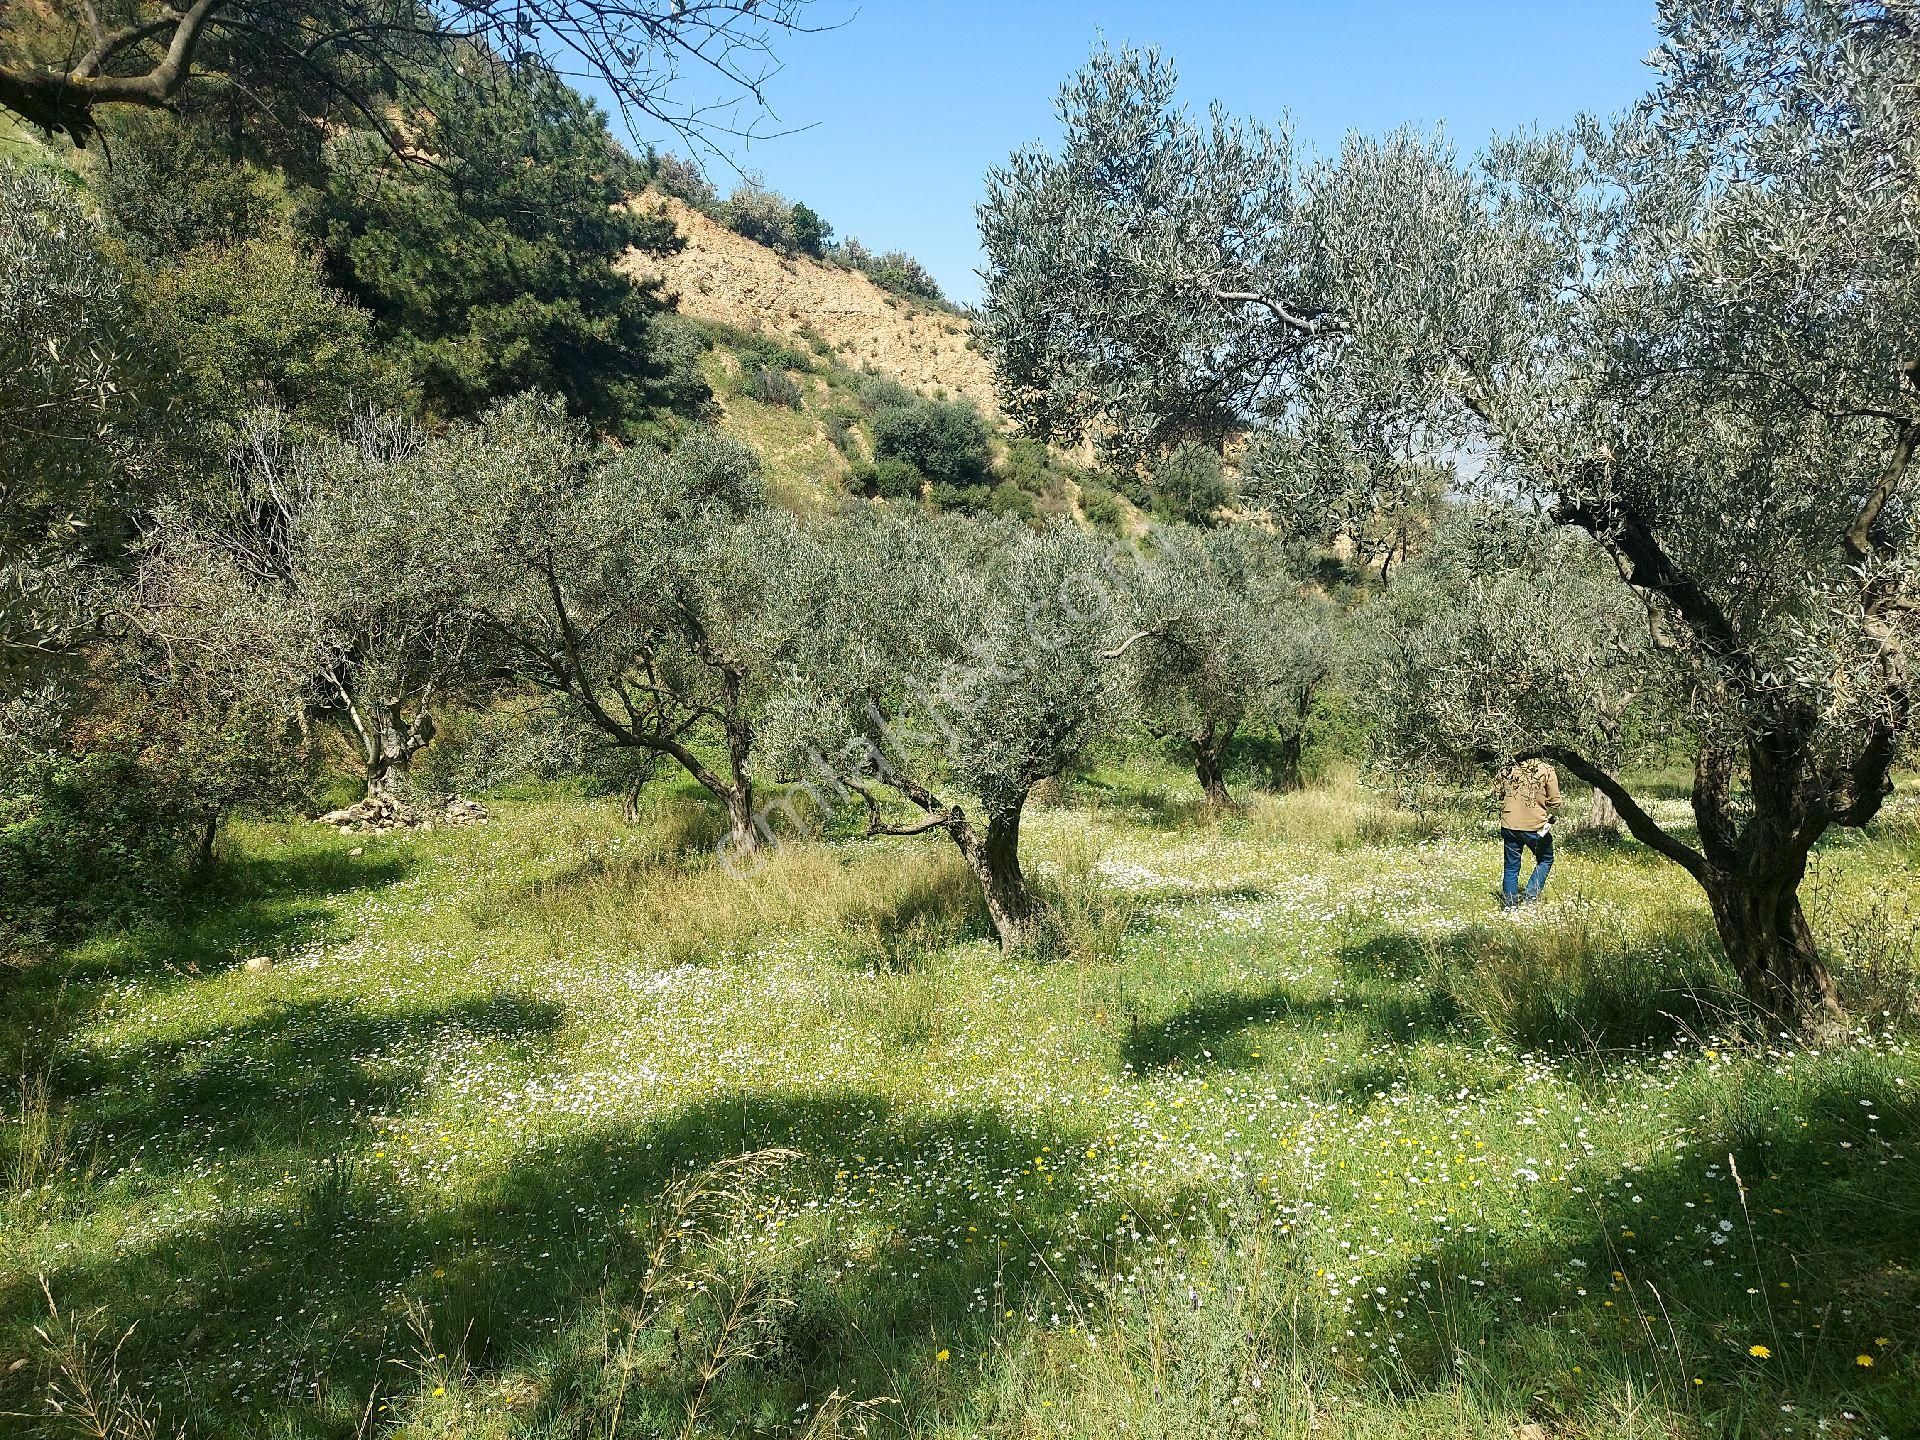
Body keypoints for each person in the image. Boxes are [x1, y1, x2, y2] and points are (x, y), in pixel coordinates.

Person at [1497, 755, 1561, 907]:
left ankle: (1510, 906)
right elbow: (1556, 802)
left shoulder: (1507, 768)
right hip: (1535, 827)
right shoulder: (1546, 769)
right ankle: (1530, 899)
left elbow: (1498, 793)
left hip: (1509, 825)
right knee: (1546, 859)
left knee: (1511, 868)